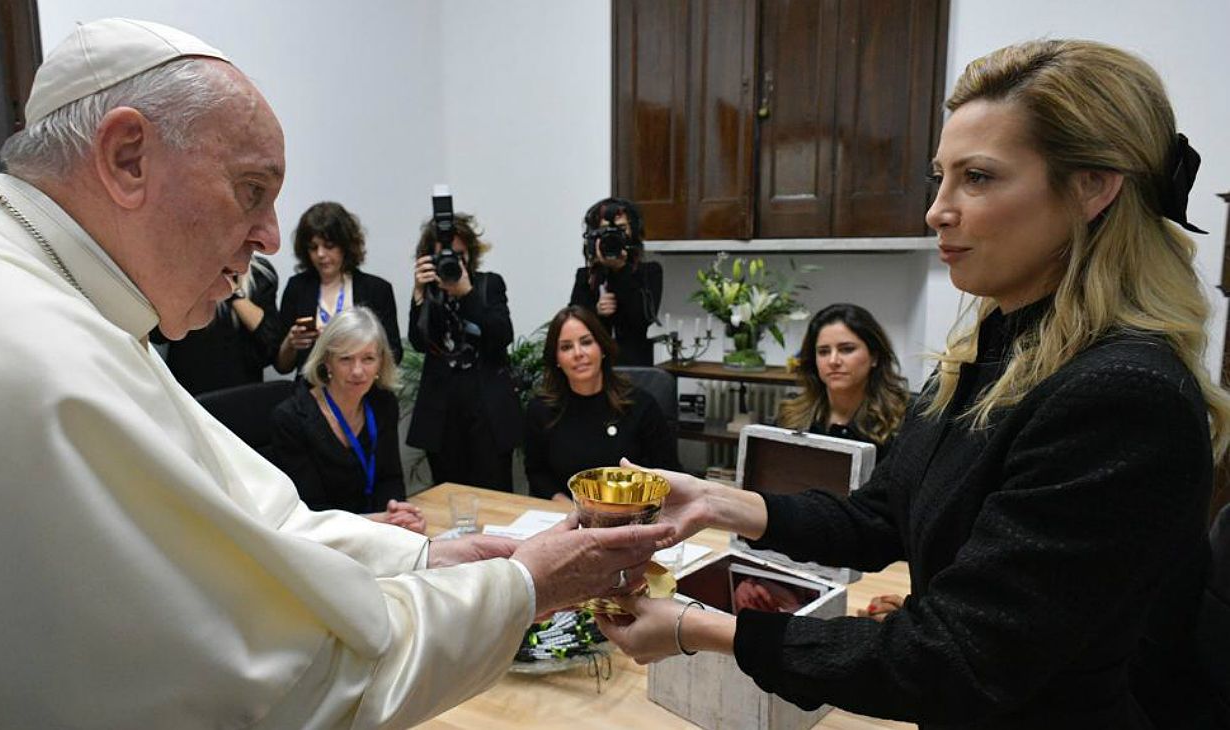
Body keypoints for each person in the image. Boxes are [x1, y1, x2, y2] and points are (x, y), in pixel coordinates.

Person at [0, 19, 673, 728]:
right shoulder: (30, 353)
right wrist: (527, 586)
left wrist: (424, 553)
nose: (271, 236)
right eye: (252, 189)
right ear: (129, 156)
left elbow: (263, 527)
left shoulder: (60, 296)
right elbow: (278, 689)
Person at [597, 39, 1229, 729]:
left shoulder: (1122, 398)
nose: (937, 210)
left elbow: (957, 659)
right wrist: (715, 501)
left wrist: (700, 628)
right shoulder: (985, 355)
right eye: (940, 177)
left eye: (979, 178)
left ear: (1092, 187)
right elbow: (880, 517)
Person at [271, 306, 424, 532]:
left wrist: (397, 512)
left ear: (381, 362)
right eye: (346, 359)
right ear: (327, 362)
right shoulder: (291, 418)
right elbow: (310, 510)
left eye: (368, 358)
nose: (357, 371)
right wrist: (376, 521)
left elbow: (389, 478)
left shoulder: (383, 404)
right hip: (321, 541)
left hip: (378, 532)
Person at [407, 212, 521, 490]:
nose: (452, 261)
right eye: (444, 256)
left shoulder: (488, 284)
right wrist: (420, 297)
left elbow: (501, 335)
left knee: (496, 495)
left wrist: (467, 294)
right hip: (442, 416)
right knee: (448, 497)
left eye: (459, 254)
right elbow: (420, 343)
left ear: (469, 254)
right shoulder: (429, 293)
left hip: (487, 415)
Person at [525, 305, 681, 503]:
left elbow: (668, 473)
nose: (578, 353)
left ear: (602, 347)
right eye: (566, 347)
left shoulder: (641, 405)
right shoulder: (541, 410)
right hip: (569, 519)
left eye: (586, 342)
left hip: (633, 518)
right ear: (556, 359)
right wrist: (566, 506)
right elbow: (537, 472)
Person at [275, 201, 402, 375]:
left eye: (329, 246)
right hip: (311, 390)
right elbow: (282, 366)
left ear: (346, 246)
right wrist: (291, 343)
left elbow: (394, 355)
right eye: (313, 248)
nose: (320, 254)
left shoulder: (377, 289)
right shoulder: (297, 287)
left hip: (363, 388)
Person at [776, 303, 910, 461]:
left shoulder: (903, 420)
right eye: (824, 351)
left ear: (874, 356)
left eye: (847, 349)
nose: (833, 361)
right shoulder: (791, 415)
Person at [150, 254, 282, 394]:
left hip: (242, 391)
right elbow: (157, 334)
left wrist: (233, 291)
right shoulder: (185, 269)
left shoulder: (259, 274)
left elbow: (270, 344)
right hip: (188, 388)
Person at [569, 197, 663, 366]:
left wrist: (621, 270)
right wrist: (596, 311)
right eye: (605, 230)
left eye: (621, 229)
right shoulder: (586, 276)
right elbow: (573, 322)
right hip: (594, 366)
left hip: (634, 366)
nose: (613, 236)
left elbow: (642, 319)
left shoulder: (649, 272)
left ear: (633, 232)